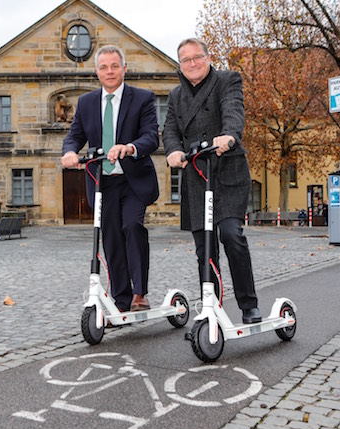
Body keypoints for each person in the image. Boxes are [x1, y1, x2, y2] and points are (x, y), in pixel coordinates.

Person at [163, 38, 261, 324]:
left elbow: (233, 111)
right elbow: (169, 130)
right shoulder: (175, 96)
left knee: (231, 235)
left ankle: (248, 304)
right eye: (186, 60)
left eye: (197, 57)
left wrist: (228, 136)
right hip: (196, 174)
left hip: (227, 170)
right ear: (180, 64)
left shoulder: (227, 80)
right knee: (204, 247)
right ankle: (211, 307)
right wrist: (172, 151)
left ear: (208, 57)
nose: (192, 64)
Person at [61, 45, 159, 313]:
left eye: (115, 66)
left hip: (133, 180)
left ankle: (140, 293)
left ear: (124, 69)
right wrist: (69, 151)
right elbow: (75, 135)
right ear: (97, 72)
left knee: (131, 227)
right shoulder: (87, 102)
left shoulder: (142, 98)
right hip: (102, 182)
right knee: (112, 238)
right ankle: (122, 298)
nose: (110, 71)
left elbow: (151, 136)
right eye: (104, 67)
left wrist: (129, 147)